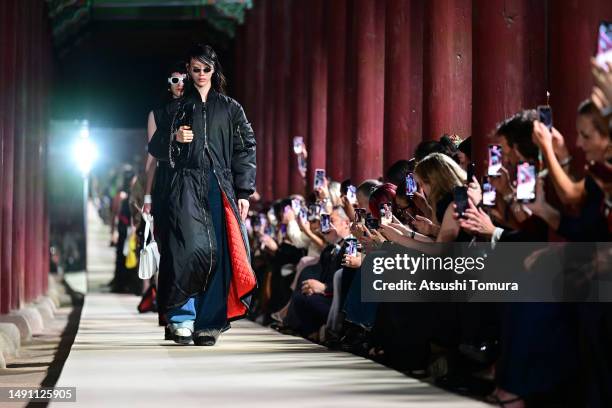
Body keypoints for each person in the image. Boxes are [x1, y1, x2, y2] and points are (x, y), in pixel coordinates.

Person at [148, 44, 257, 346]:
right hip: (184, 186)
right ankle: (182, 316)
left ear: (214, 70)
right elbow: (155, 148)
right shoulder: (177, 108)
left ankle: (209, 323)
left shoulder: (231, 108)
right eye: (194, 69)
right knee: (187, 250)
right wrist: (173, 137)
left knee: (218, 252)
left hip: (219, 185)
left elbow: (245, 147)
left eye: (205, 69)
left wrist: (244, 191)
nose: (199, 75)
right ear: (188, 71)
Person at [142, 62, 186, 335]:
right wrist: (147, 195)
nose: (180, 83)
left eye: (184, 78)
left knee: (192, 250)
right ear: (167, 84)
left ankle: (189, 312)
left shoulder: (198, 107)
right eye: (174, 79)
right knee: (168, 252)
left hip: (193, 184)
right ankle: (171, 315)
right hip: (166, 185)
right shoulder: (157, 114)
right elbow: (151, 158)